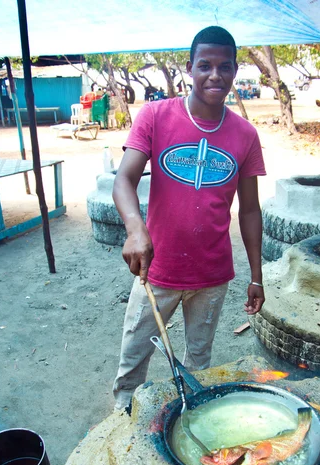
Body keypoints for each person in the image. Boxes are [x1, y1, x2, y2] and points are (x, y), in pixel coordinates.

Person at [112, 25, 266, 412]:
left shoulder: (245, 135)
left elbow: (249, 210)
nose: (215, 75)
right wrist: (135, 228)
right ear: (189, 68)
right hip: (156, 270)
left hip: (212, 276)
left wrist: (256, 275)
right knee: (134, 356)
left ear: (235, 70)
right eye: (205, 65)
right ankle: (121, 421)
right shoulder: (155, 116)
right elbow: (124, 180)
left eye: (225, 67)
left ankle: (190, 419)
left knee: (200, 364)